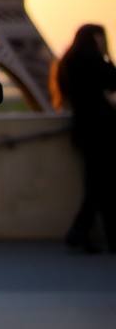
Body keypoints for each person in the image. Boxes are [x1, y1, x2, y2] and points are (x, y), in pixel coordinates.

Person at [51, 23, 116, 253]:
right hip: (101, 130)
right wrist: (107, 57)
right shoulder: (92, 59)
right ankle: (79, 231)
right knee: (102, 186)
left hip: (85, 130)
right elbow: (113, 80)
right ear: (95, 37)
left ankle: (90, 233)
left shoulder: (69, 61)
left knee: (99, 185)